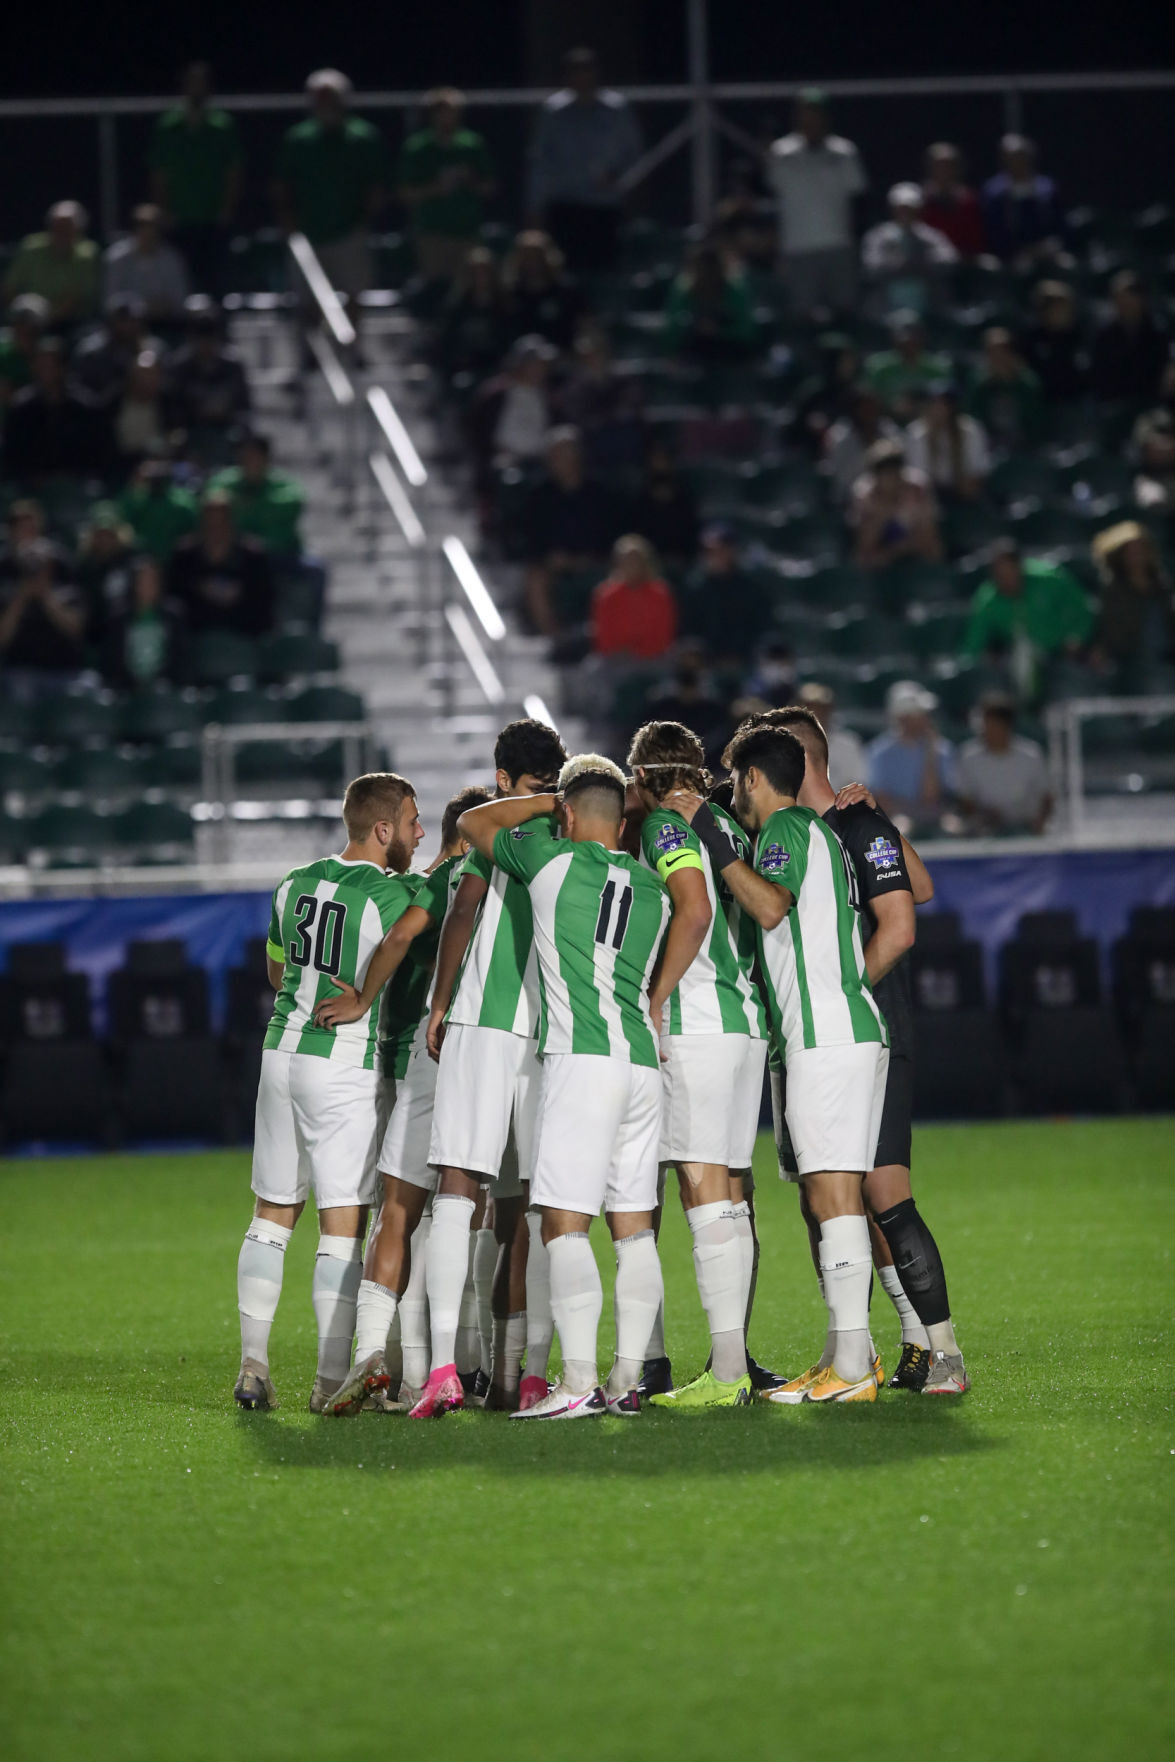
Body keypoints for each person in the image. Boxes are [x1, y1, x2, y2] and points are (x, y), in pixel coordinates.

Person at [457, 753, 678, 1419]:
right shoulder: (655, 889)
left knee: (562, 1222)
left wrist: (545, 802)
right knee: (634, 1229)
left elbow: (474, 823)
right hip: (642, 1062)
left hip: (582, 1062)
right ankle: (627, 1379)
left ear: (571, 816)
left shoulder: (551, 861)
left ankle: (578, 1381)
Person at [677, 724, 888, 1402]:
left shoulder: (785, 831)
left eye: (735, 780)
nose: (732, 793)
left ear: (753, 779)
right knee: (833, 1195)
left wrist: (709, 837)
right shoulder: (814, 832)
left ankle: (853, 1369)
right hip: (839, 1031)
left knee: (833, 1197)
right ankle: (845, 1357)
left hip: (826, 1038)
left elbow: (769, 907)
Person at [762, 705, 968, 1394]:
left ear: (795, 761)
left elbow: (910, 909)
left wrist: (841, 991)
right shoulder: (795, 834)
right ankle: (852, 1350)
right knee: (822, 1194)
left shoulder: (856, 824)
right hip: (811, 1037)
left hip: (865, 1027)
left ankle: (938, 1350)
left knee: (882, 1192)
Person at [232, 771, 425, 1413]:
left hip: (279, 1053)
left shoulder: (294, 882)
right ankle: (327, 1381)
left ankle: (253, 1365)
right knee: (342, 1223)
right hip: (341, 1060)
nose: (419, 834)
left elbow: (276, 970)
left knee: (271, 1214)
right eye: (411, 823)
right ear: (383, 829)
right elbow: (411, 937)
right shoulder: (392, 893)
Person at [307, 785, 494, 1414]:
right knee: (466, 1213)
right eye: (410, 823)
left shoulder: (431, 884)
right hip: (458, 1055)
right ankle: (456, 1365)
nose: (414, 834)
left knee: (401, 1212)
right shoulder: (473, 880)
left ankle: (384, 1361)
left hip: (408, 1058)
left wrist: (363, 999)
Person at [410, 718, 568, 1418]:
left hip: (485, 1019)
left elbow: (464, 909)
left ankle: (446, 1368)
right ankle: (526, 1375)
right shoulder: (574, 829)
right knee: (535, 1202)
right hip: (550, 1033)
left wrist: (439, 1002)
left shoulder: (496, 832)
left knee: (458, 1188)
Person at [626, 720, 773, 1407]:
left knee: (699, 1189)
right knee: (728, 1194)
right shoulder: (727, 828)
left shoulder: (665, 825)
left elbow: (694, 913)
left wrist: (653, 998)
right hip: (741, 1023)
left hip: (694, 1022)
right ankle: (729, 1362)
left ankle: (725, 1372)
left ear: (641, 776)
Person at [275, 69, 387, 319]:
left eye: (332, 98)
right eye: (320, 99)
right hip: (307, 232)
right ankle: (314, 345)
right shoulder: (298, 139)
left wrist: (363, 222)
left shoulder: (363, 137)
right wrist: (289, 223)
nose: (326, 105)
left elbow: (375, 187)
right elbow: (283, 186)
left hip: (350, 230)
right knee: (307, 299)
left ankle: (352, 343)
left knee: (354, 294)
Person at [527, 47, 641, 273]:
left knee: (605, 269)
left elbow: (633, 154)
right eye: (576, 71)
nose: (582, 77)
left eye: (587, 70)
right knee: (566, 270)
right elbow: (540, 161)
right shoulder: (553, 111)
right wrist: (534, 207)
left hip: (604, 205)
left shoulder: (617, 109)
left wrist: (622, 181)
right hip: (564, 205)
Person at [766, 88, 866, 317]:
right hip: (798, 248)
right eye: (805, 113)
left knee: (844, 313)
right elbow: (773, 190)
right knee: (802, 315)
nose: (810, 118)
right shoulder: (780, 152)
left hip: (838, 245)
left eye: (815, 113)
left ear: (825, 116)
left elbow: (858, 195)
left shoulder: (845, 152)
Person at [209, 430, 327, 619]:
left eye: (255, 456)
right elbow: (214, 506)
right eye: (246, 456)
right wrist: (259, 508)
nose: (250, 462)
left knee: (316, 570)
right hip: (237, 559)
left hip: (281, 556)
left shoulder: (284, 484)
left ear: (266, 459)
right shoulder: (225, 481)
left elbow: (292, 504)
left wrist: (247, 507)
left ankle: (310, 631)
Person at [150, 62, 243, 295]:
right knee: (182, 279)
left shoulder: (223, 125)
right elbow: (159, 172)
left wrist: (226, 210)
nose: (197, 88)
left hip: (213, 216)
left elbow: (233, 172)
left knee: (216, 280)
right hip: (179, 216)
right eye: (192, 82)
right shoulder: (168, 126)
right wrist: (164, 210)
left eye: (201, 83)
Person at [521, 426, 619, 635]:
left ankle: (608, 634)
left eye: (568, 454)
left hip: (595, 560)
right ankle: (555, 638)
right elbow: (532, 538)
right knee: (536, 578)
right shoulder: (539, 496)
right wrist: (552, 558)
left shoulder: (599, 492)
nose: (563, 461)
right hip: (555, 563)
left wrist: (590, 557)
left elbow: (611, 532)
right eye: (557, 455)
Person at [397, 88, 496, 285]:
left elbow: (490, 187)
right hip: (432, 232)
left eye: (451, 112)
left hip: (467, 230)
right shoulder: (418, 148)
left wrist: (469, 180)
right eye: (440, 112)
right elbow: (404, 192)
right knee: (435, 286)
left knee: (469, 284)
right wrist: (436, 187)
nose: (446, 118)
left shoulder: (472, 145)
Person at [962, 538, 1093, 683]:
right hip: (1020, 660)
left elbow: (1081, 608)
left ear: (1020, 567)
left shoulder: (1050, 579)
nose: (1006, 580)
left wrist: (1078, 636)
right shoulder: (987, 599)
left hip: (1062, 651)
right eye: (1000, 576)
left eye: (1010, 573)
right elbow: (974, 643)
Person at [166, 490, 276, 636]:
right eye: (210, 523)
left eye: (221, 522)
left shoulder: (254, 557)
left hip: (242, 635)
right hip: (196, 635)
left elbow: (264, 601)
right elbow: (174, 597)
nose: (216, 530)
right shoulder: (184, 556)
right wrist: (199, 587)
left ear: (231, 522)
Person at [2, 338, 108, 482]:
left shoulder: (86, 408)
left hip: (77, 482)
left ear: (63, 368)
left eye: (51, 366)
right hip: (31, 484)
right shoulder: (21, 409)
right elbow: (12, 457)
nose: (46, 372)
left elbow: (97, 455)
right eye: (42, 366)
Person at [0, 538, 87, 699]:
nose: (35, 569)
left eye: (40, 564)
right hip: (21, 671)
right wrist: (20, 599)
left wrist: (47, 597)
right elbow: (2, 638)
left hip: (64, 671)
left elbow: (76, 630)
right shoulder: (8, 595)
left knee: (82, 694)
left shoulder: (68, 593)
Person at [956, 691, 1052, 834]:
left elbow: (1047, 796)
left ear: (1006, 726)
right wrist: (982, 815)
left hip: (1026, 829)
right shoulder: (969, 756)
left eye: (992, 725)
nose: (985, 731)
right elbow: (965, 799)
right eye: (984, 725)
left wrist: (1039, 824)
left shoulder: (1031, 755)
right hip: (985, 831)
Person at [866, 681, 957, 830]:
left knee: (953, 826)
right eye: (919, 714)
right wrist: (912, 811)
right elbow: (882, 800)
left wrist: (930, 751)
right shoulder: (880, 752)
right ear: (902, 718)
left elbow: (931, 798)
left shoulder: (941, 748)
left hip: (936, 813)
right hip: (897, 815)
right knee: (901, 827)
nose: (926, 719)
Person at [1089, 521, 1175, 677]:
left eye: (1141, 550)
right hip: (1129, 662)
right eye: (1131, 552)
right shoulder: (1113, 591)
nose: (1137, 557)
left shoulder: (1162, 587)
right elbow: (1111, 633)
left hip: (1167, 656)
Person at [861, 182, 958, 319]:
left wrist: (921, 264)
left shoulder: (931, 235)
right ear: (892, 209)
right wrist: (897, 265)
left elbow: (949, 261)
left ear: (919, 209)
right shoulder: (878, 236)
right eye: (901, 208)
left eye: (910, 208)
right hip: (888, 306)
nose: (905, 213)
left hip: (928, 306)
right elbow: (871, 268)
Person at [167, 295, 251, 449]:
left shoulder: (233, 365)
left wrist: (223, 410)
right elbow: (174, 408)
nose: (205, 343)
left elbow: (244, 406)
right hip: (192, 429)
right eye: (201, 336)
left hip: (227, 428)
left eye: (209, 335)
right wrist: (198, 410)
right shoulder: (180, 366)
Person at [679, 521, 769, 664]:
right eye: (709, 551)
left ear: (732, 550)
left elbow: (760, 628)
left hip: (745, 662)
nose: (715, 555)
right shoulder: (695, 589)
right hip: (706, 665)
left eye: (721, 549)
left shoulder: (751, 588)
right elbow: (689, 631)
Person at [850, 438, 943, 571]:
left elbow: (928, 535)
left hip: (914, 552)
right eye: (885, 471)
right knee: (864, 559)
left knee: (935, 550)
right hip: (880, 560)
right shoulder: (864, 495)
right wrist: (885, 511)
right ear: (875, 475)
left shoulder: (918, 488)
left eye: (895, 468)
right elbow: (865, 545)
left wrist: (901, 548)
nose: (892, 477)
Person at [3, 201, 99, 326]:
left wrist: (45, 320)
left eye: (67, 228)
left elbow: (75, 300)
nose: (61, 233)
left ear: (78, 231)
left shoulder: (87, 254)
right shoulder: (31, 247)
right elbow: (10, 288)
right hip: (26, 320)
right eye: (57, 227)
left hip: (69, 323)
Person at [980, 135, 1066, 270]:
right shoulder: (994, 192)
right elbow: (993, 230)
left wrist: (1052, 244)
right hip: (1011, 255)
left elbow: (1059, 222)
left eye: (1021, 157)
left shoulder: (1047, 188)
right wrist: (1018, 251)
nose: (1017, 162)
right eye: (1012, 158)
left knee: (1067, 266)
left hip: (1047, 249)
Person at [663, 244, 758, 363]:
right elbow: (672, 329)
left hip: (730, 349)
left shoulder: (735, 291)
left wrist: (719, 331)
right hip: (694, 350)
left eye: (711, 269)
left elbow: (746, 330)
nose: (706, 274)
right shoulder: (685, 290)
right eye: (701, 269)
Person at [590, 534, 678, 664]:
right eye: (626, 560)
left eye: (636, 560)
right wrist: (623, 653)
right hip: (615, 659)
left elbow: (665, 634)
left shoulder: (661, 593)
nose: (631, 564)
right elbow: (603, 635)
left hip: (654, 658)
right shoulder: (606, 595)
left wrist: (642, 652)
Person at [1089, 271, 1171, 410]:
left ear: (1141, 299)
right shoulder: (1104, 334)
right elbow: (1100, 375)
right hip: (1114, 403)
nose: (1124, 304)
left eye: (1129, 298)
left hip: (1151, 402)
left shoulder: (1157, 332)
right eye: (1119, 298)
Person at [434, 247, 512, 384]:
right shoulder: (457, 305)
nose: (480, 277)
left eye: (484, 272)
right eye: (475, 273)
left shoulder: (503, 304)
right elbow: (448, 338)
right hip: (464, 365)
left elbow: (507, 336)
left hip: (495, 364)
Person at [904, 382, 991, 502]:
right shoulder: (916, 433)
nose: (940, 409)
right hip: (930, 494)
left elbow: (979, 468)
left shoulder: (970, 429)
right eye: (935, 404)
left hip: (964, 492)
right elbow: (917, 473)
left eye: (946, 404)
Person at [97, 556, 175, 689]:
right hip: (125, 689)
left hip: (164, 689)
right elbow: (111, 662)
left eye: (152, 581)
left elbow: (179, 660)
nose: (148, 586)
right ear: (133, 583)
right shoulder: (117, 619)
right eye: (142, 581)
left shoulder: (173, 617)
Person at [71, 296, 162, 409]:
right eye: (123, 320)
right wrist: (99, 404)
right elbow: (75, 386)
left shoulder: (153, 350)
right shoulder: (91, 352)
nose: (128, 326)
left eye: (133, 320)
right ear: (110, 322)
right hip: (99, 413)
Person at [500, 230, 582, 353]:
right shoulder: (509, 294)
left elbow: (583, 326)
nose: (532, 262)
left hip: (561, 356)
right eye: (527, 256)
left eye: (537, 256)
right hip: (519, 359)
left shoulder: (566, 292)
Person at [104, 206, 189, 323]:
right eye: (142, 225)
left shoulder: (172, 259)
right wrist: (139, 307)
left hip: (165, 322)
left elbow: (180, 299)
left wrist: (162, 307)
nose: (148, 231)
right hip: (125, 324)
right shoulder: (117, 257)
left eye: (153, 226)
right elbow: (109, 301)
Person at [864, 311, 951, 423]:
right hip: (887, 424)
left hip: (929, 425)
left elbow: (947, 403)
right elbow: (869, 400)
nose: (909, 343)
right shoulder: (878, 367)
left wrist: (921, 407)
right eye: (904, 339)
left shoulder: (939, 368)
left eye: (914, 336)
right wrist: (892, 407)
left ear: (922, 337)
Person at [966, 327, 1043, 450]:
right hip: (988, 445)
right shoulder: (979, 384)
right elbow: (972, 419)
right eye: (992, 353)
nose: (998, 358)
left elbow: (1035, 421)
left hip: (1023, 445)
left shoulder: (1027, 383)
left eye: (1003, 352)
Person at [627, 438, 698, 570]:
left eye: (664, 458)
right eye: (656, 459)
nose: (660, 464)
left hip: (680, 560)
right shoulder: (640, 499)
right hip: (647, 561)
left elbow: (690, 532)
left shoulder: (684, 497)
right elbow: (636, 534)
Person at [824, 384, 901, 504]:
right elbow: (842, 478)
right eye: (864, 407)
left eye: (872, 406)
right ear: (854, 410)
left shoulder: (888, 430)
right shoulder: (840, 437)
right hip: (849, 499)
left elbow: (899, 463)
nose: (869, 411)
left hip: (887, 496)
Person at [1019, 280, 1089, 404]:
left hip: (1075, 399)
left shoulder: (1079, 335)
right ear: (1045, 311)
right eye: (1058, 308)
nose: (1064, 313)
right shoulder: (1032, 337)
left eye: (1066, 308)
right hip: (1042, 401)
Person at [117, 458, 199, 561]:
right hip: (143, 557)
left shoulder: (182, 501)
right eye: (153, 477)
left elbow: (194, 530)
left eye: (160, 477)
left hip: (177, 557)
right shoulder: (136, 500)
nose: (157, 481)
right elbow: (123, 525)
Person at [112, 350, 175, 469]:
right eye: (142, 374)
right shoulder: (114, 404)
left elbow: (174, 437)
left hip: (159, 465)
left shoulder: (167, 403)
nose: (146, 380)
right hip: (121, 466)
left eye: (151, 374)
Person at [920, 143, 986, 258]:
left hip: (965, 260)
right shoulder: (920, 200)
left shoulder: (969, 200)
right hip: (930, 261)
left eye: (949, 166)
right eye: (939, 166)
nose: (944, 170)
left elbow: (976, 239)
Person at [796, 681, 865, 787]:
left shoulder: (848, 745)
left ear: (830, 710)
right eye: (809, 707)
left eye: (821, 708)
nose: (815, 713)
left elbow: (857, 784)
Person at [0, 295, 49, 409]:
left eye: (32, 326)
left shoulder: (49, 357)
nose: (25, 329)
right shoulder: (2, 354)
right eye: (20, 323)